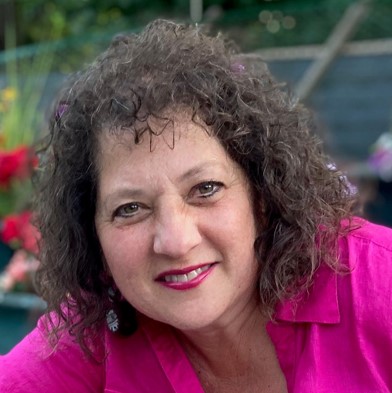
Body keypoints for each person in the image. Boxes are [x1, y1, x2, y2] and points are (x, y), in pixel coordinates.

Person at [1, 19, 391, 393]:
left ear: (262, 195)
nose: (176, 241)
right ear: (91, 234)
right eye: (130, 209)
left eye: (205, 188)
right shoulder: (95, 329)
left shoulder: (376, 283)